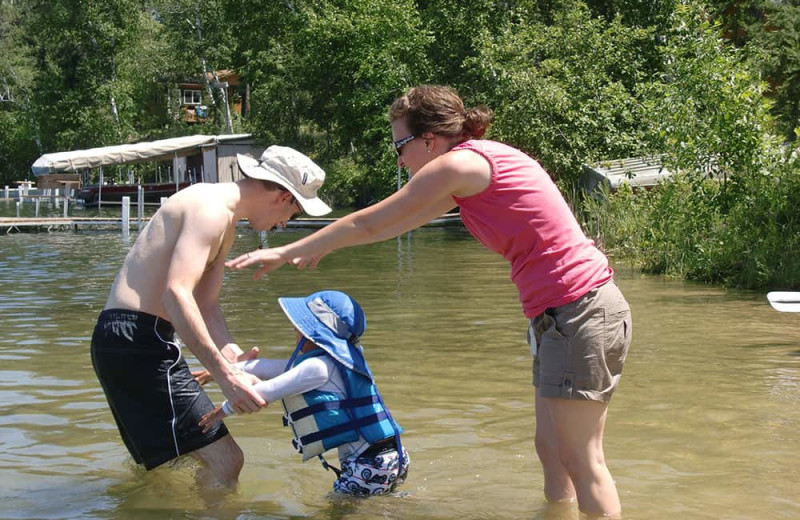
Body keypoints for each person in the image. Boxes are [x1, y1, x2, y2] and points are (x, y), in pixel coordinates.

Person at [225, 85, 632, 516]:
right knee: (551, 449)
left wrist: (286, 250)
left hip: (581, 309)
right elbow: (388, 227)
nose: (399, 159)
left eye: (400, 145)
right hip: (559, 316)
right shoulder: (465, 174)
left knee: (582, 459)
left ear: (429, 140)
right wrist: (322, 246)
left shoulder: (460, 164)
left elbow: (367, 220)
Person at [90, 145, 331, 488]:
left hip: (128, 340)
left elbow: (206, 304)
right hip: (139, 342)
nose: (285, 223)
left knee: (174, 464)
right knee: (227, 460)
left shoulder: (223, 218)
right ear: (282, 196)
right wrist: (225, 378)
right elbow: (176, 295)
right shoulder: (210, 211)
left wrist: (231, 357)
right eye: (294, 212)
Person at [196, 290, 409, 496]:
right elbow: (266, 367)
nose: (295, 330)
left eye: (300, 327)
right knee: (381, 503)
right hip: (392, 457)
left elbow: (266, 391)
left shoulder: (316, 367)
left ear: (314, 334)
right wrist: (219, 371)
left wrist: (221, 412)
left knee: (337, 511)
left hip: (368, 465)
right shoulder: (337, 363)